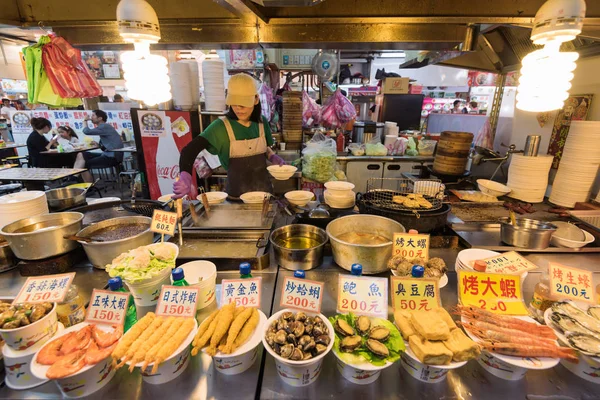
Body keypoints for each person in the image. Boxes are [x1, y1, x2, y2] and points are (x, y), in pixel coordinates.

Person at [173, 73, 285, 200]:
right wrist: (186, 176)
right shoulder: (220, 127)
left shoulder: (261, 122)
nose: (239, 108)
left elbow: (264, 147)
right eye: (234, 103)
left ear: (256, 100)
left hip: (264, 196)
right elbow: (189, 151)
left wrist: (272, 156)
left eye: (243, 103)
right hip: (236, 198)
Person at [79, 110, 124, 182]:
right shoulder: (104, 127)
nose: (91, 117)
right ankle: (75, 177)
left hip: (112, 157)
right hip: (108, 154)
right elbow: (109, 146)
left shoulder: (104, 126)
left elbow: (87, 131)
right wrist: (98, 145)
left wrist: (85, 120)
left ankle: (89, 187)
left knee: (84, 164)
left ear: (100, 118)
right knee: (82, 154)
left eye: (93, 115)